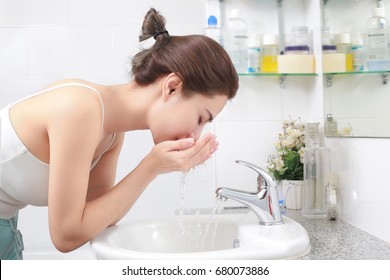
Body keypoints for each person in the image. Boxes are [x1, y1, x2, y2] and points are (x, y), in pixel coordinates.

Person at [0, 8, 238, 259]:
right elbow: (66, 236)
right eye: (201, 118)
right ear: (173, 87)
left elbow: (97, 221)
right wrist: (149, 167)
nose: (196, 135)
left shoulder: (111, 132)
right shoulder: (80, 109)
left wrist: (155, 167)